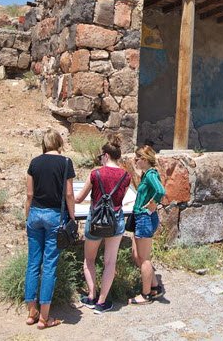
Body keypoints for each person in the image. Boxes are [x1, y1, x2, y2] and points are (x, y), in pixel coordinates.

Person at [24, 129, 75, 329]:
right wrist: (72, 216)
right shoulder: (65, 162)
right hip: (55, 215)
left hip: (35, 214)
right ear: (59, 142)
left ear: (44, 144)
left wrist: (27, 216)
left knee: (33, 263)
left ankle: (31, 312)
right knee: (49, 265)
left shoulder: (34, 162)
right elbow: (69, 194)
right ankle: (45, 317)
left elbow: (29, 194)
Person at [75, 134, 132, 314]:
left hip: (96, 220)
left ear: (105, 155)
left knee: (89, 260)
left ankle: (91, 296)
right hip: (115, 220)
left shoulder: (95, 173)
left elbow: (79, 198)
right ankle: (102, 302)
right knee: (110, 263)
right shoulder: (126, 176)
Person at [129, 145, 167, 304]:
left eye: (137, 159)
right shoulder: (147, 174)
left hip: (144, 218)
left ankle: (146, 295)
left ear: (144, 159)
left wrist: (152, 203)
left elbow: (160, 191)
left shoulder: (151, 174)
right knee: (137, 255)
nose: (135, 161)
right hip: (142, 217)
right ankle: (154, 287)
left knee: (144, 258)